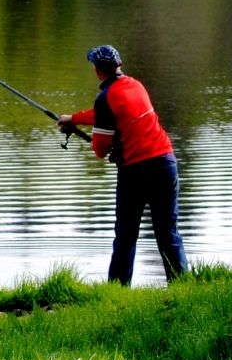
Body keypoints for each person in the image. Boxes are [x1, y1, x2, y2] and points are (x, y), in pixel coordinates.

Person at [59, 44, 188, 285]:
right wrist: (73, 119)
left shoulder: (105, 98)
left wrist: (90, 140)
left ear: (97, 71)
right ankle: (182, 286)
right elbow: (110, 112)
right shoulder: (135, 86)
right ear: (119, 66)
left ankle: (118, 290)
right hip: (166, 162)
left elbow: (100, 149)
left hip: (136, 171)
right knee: (168, 232)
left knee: (126, 236)